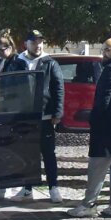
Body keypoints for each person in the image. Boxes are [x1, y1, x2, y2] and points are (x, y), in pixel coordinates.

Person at [69, 38, 111, 219]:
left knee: (97, 167)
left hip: (108, 127)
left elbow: (102, 102)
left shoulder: (110, 70)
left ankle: (88, 205)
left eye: (108, 50)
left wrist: (94, 120)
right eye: (104, 49)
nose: (104, 53)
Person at [16, 30, 64, 203]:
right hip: (24, 116)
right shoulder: (18, 62)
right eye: (34, 42)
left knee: (48, 154)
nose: (38, 45)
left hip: (44, 116)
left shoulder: (50, 63)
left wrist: (57, 113)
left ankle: (53, 188)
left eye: (40, 42)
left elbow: (58, 88)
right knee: (27, 153)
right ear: (26, 44)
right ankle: (27, 188)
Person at [0, 30, 30, 200]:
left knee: (10, 150)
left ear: (10, 47)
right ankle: (1, 185)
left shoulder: (19, 63)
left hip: (11, 113)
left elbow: (23, 90)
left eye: (2, 49)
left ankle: (10, 185)